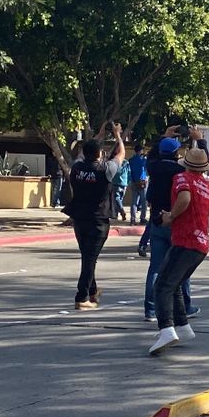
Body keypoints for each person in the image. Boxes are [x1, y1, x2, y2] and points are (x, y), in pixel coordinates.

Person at [149, 146, 209, 355]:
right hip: (200, 244)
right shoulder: (206, 185)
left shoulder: (182, 178)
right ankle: (182, 326)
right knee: (175, 283)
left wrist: (171, 216)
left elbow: (185, 199)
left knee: (162, 285)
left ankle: (166, 329)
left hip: (185, 240)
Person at [63, 123, 125, 311]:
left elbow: (83, 152)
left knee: (88, 256)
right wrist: (117, 135)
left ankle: (92, 291)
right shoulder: (105, 170)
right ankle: (81, 297)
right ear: (99, 154)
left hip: (80, 218)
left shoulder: (77, 168)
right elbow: (121, 154)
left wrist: (98, 135)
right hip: (98, 219)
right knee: (90, 258)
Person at [144, 132, 199, 321]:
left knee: (155, 268)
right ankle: (186, 306)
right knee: (180, 267)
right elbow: (198, 162)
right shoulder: (180, 171)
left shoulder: (152, 167)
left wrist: (162, 137)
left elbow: (152, 155)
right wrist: (198, 140)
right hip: (176, 221)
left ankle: (150, 310)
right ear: (177, 153)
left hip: (157, 220)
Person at [127, 143, 150, 222]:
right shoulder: (143, 160)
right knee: (144, 202)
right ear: (141, 151)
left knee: (134, 201)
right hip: (142, 182)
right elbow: (146, 169)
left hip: (134, 181)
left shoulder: (131, 160)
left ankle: (132, 219)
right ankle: (142, 218)